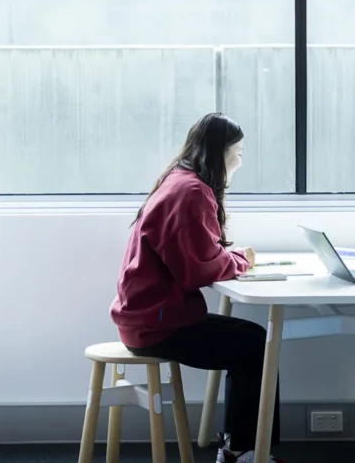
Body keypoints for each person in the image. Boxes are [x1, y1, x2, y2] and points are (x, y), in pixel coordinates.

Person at [110, 113, 285, 463]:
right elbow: (196, 270)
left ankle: (238, 445)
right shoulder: (192, 191)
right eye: (238, 151)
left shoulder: (177, 180)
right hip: (157, 324)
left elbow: (195, 255)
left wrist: (230, 257)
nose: (240, 160)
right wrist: (240, 261)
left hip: (144, 317)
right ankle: (247, 450)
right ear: (221, 153)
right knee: (256, 345)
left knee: (251, 340)